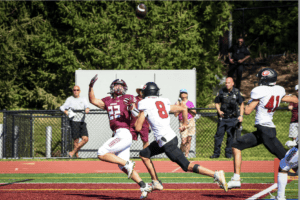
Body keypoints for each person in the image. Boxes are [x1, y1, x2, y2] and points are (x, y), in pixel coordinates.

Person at [135, 82, 228, 192]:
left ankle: (216, 174)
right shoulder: (163, 101)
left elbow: (137, 127)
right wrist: (185, 123)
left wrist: (138, 113)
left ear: (146, 92)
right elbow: (184, 108)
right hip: (169, 138)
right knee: (144, 154)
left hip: (166, 142)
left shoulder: (144, 104)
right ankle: (156, 182)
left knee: (186, 166)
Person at [228, 68, 299, 190]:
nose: (259, 81)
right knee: (236, 145)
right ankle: (236, 179)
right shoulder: (279, 90)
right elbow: (294, 99)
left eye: (261, 79)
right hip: (263, 131)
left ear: (265, 80)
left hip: (266, 131)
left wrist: (251, 102)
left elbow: (247, 111)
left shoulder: (259, 91)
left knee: (288, 161)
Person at [88, 75, 152, 199]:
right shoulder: (107, 100)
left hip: (124, 132)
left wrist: (132, 107)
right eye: (117, 85)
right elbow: (93, 100)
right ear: (112, 87)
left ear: (125, 88)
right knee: (122, 166)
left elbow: (136, 114)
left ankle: (128, 163)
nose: (119, 87)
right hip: (118, 133)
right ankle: (143, 185)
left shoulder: (128, 98)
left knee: (101, 153)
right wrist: (90, 86)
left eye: (121, 85)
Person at [210, 77, 244, 159]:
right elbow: (217, 103)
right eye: (226, 83)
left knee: (230, 136)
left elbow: (242, 104)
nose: (227, 84)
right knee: (218, 136)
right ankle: (216, 153)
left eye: (228, 83)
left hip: (232, 118)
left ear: (232, 83)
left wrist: (241, 115)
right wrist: (219, 111)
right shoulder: (221, 91)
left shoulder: (236, 92)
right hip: (223, 118)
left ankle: (228, 154)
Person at [60, 85, 90, 158]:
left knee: (85, 139)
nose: (76, 91)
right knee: (76, 140)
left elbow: (87, 106)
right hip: (74, 121)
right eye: (74, 90)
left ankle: (72, 152)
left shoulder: (83, 99)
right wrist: (66, 112)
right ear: (72, 91)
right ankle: (76, 155)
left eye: (77, 90)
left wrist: (87, 108)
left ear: (79, 91)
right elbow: (62, 107)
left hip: (82, 121)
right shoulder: (69, 99)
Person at [174, 89, 196, 158]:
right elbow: (175, 114)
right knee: (183, 140)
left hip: (190, 121)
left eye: (184, 93)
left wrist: (188, 108)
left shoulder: (190, 103)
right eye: (182, 93)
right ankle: (180, 153)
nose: (183, 95)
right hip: (182, 122)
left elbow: (194, 113)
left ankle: (186, 155)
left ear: (187, 94)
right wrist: (179, 107)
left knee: (189, 139)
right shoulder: (178, 103)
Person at [130, 85, 150, 149]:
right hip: (133, 121)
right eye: (141, 90)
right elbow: (132, 108)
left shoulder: (148, 100)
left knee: (145, 140)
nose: (142, 92)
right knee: (127, 138)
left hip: (145, 123)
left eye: (144, 91)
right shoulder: (134, 99)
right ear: (139, 91)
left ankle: (145, 156)